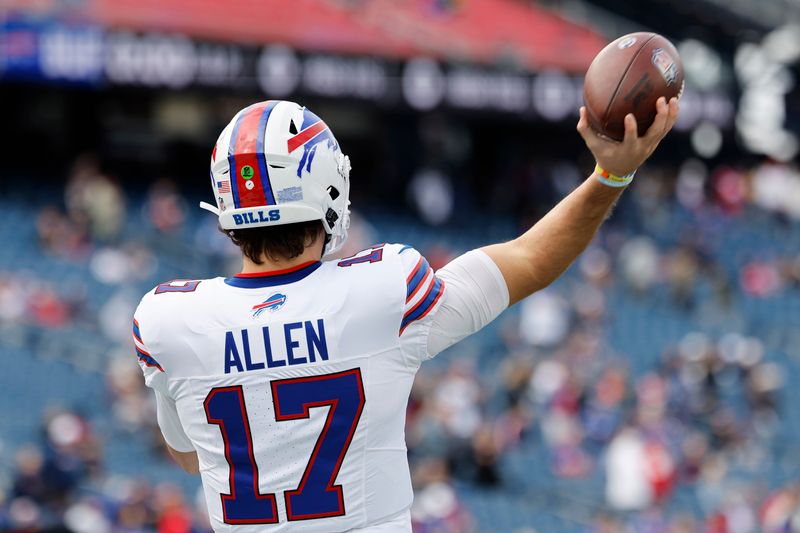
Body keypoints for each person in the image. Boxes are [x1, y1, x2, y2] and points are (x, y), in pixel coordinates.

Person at [133, 98, 679, 532]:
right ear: (327, 187)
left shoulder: (168, 322)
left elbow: (191, 458)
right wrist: (610, 175)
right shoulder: (382, 291)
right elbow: (531, 259)